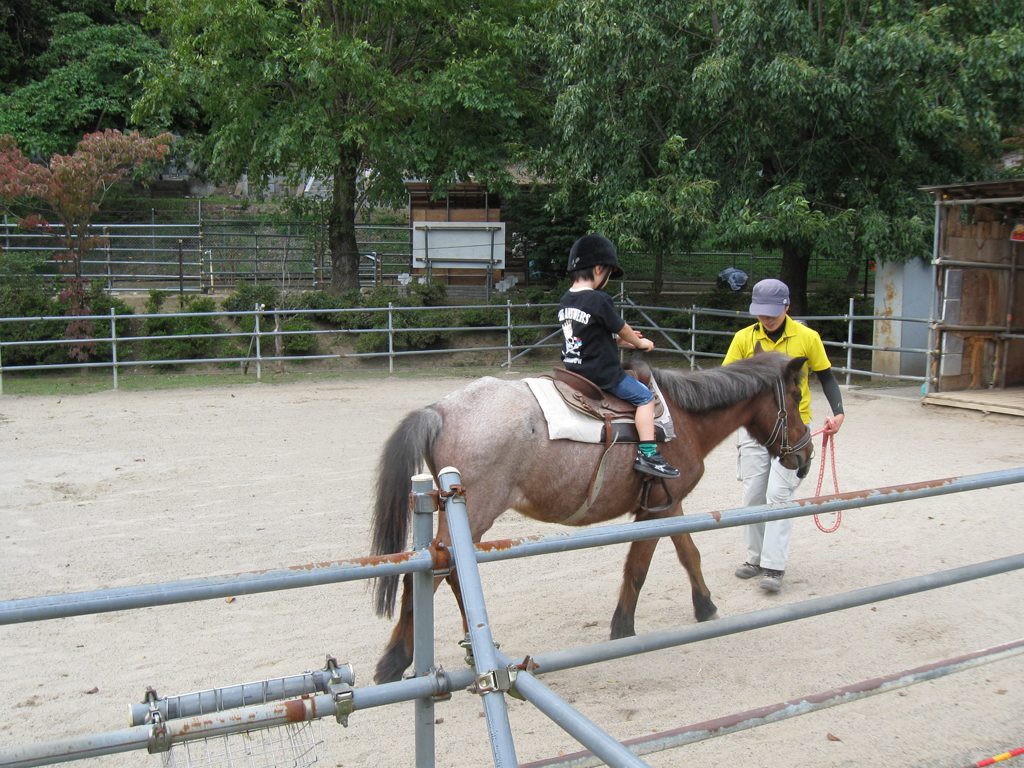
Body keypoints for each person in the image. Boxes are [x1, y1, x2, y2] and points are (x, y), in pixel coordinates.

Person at [723, 278, 845, 593]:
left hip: (792, 429)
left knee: (779, 495)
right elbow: (725, 380)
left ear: (787, 307)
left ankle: (774, 567)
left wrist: (838, 411)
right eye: (760, 313)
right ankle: (754, 558)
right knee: (753, 495)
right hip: (754, 429)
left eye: (772, 313)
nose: (766, 319)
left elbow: (827, 376)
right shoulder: (743, 339)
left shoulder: (807, 337)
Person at [558, 233, 680, 479]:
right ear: (599, 268)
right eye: (609, 274)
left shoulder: (566, 299)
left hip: (573, 369)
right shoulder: (599, 299)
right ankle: (648, 454)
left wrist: (617, 340)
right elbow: (621, 327)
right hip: (602, 374)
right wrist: (638, 341)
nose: (608, 280)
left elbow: (588, 333)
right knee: (645, 398)